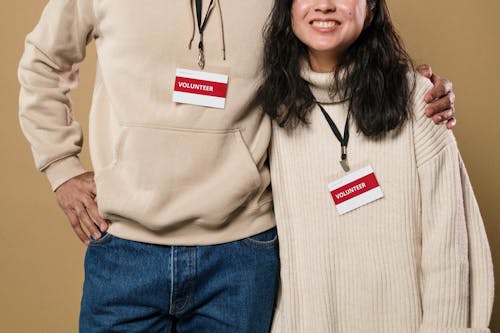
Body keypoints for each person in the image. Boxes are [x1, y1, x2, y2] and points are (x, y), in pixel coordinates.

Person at [18, 1, 456, 332]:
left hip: (241, 257)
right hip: (124, 252)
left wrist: (411, 89)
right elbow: (43, 61)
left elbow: (330, 45)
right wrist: (61, 166)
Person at [257, 0, 494, 332]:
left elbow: (448, 249)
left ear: (370, 9)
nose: (324, 5)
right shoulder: (268, 109)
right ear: (287, 8)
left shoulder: (419, 100)